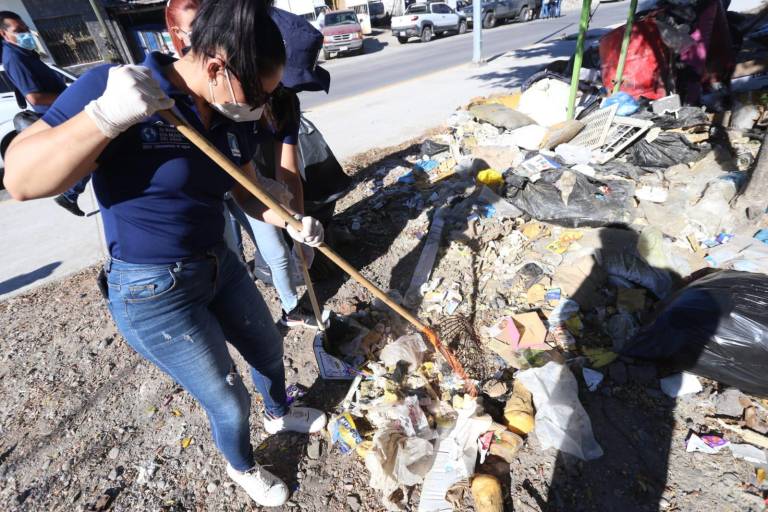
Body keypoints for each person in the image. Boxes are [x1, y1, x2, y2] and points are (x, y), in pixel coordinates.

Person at [4, 0, 326, 507]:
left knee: (268, 348)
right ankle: (242, 465)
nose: (264, 107)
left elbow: (244, 189)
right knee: (227, 399)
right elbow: (20, 180)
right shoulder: (119, 88)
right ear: (217, 67)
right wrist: (104, 118)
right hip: (154, 290)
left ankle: (280, 409)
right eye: (261, 93)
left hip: (219, 262)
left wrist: (290, 219)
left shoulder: (228, 112)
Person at [167, 0, 330, 328]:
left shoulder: (281, 105)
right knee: (229, 255)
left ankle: (290, 307)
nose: (274, 96)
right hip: (212, 193)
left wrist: (296, 223)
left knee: (276, 250)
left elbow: (287, 172)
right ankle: (239, 314)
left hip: (249, 187)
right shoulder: (214, 97)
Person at [0, 10, 89, 217]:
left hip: (63, 112)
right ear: (3, 34)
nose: (25, 34)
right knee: (93, 152)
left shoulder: (24, 53)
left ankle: (70, 194)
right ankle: (70, 194)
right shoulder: (14, 57)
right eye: (18, 30)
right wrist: (72, 98)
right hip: (59, 115)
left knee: (94, 153)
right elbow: (35, 98)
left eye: (25, 29)